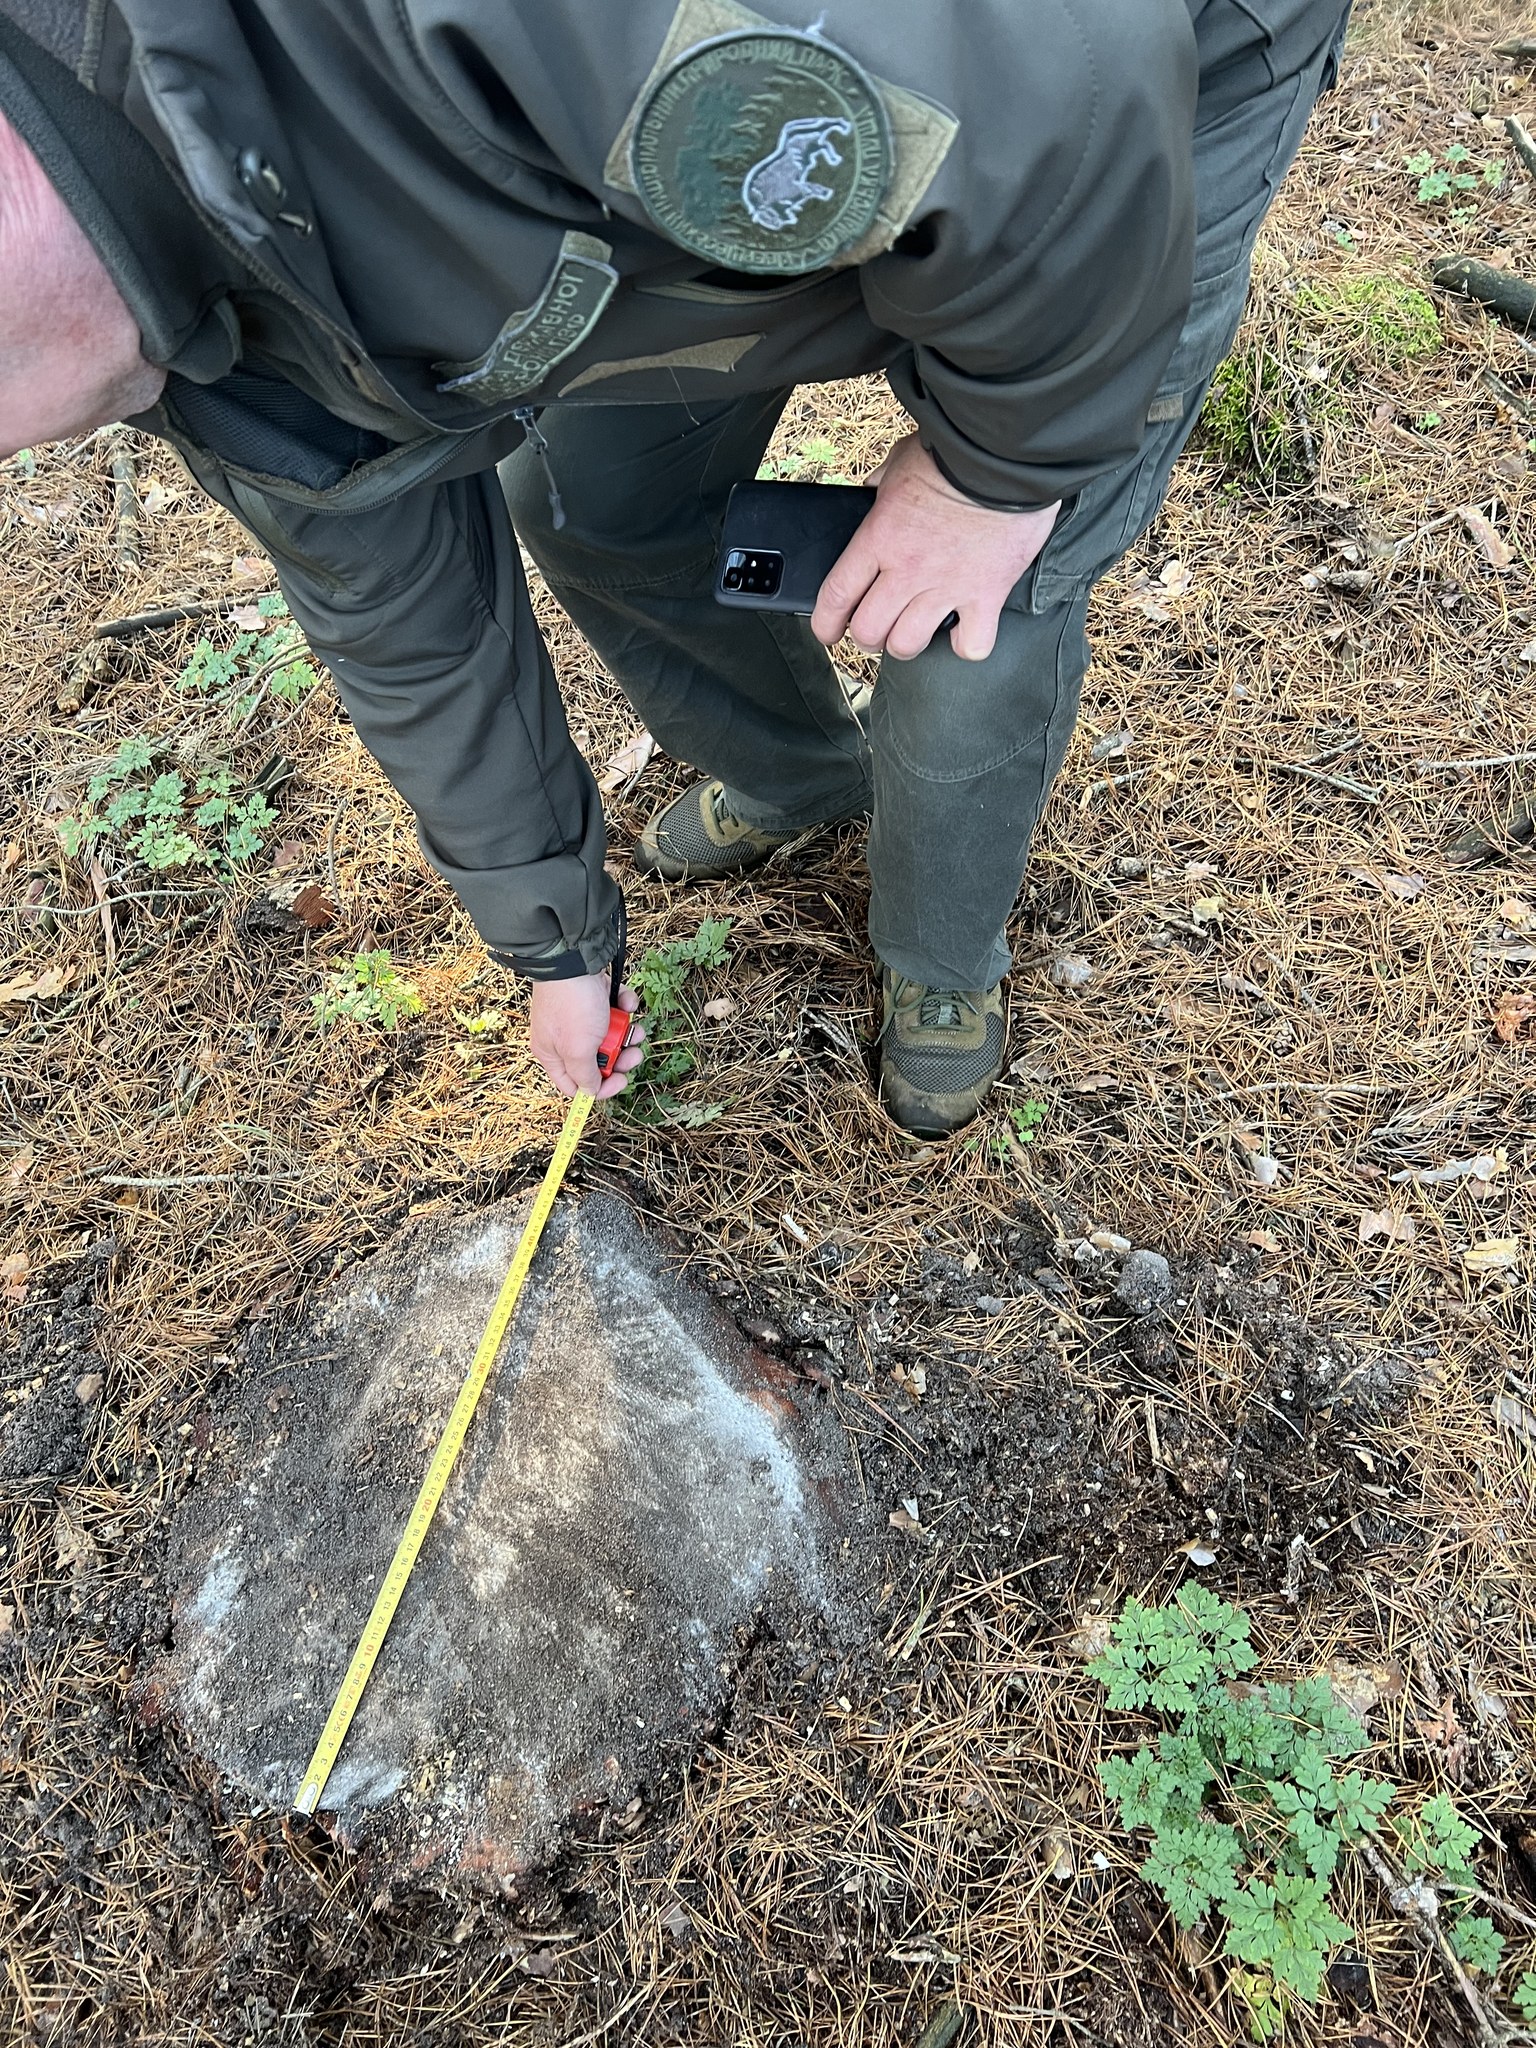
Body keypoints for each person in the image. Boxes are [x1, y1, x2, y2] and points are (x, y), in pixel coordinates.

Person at [0, 0, 1350, 1135]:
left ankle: (940, 957)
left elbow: (1068, 83)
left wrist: (994, 472)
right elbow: (394, 605)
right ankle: (799, 772)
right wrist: (555, 936)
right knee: (597, 500)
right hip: (715, 167)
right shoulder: (156, 317)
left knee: (968, 613)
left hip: (1123, 100)